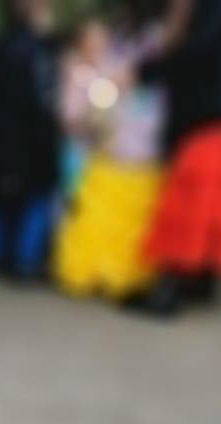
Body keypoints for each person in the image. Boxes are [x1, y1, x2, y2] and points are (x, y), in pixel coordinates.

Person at [126, 0, 221, 314]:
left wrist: (146, 71)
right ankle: (199, 280)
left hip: (212, 109)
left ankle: (168, 291)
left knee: (190, 201)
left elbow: (201, 48)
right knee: (214, 203)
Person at [51, 5, 170, 300]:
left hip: (131, 151)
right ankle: (99, 271)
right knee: (93, 208)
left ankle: (118, 273)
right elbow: (77, 111)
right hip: (106, 150)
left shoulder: (142, 48)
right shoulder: (95, 63)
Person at [0, 0, 64, 280]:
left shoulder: (0, 46)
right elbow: (41, 101)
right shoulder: (38, 50)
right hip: (28, 142)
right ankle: (24, 260)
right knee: (35, 198)